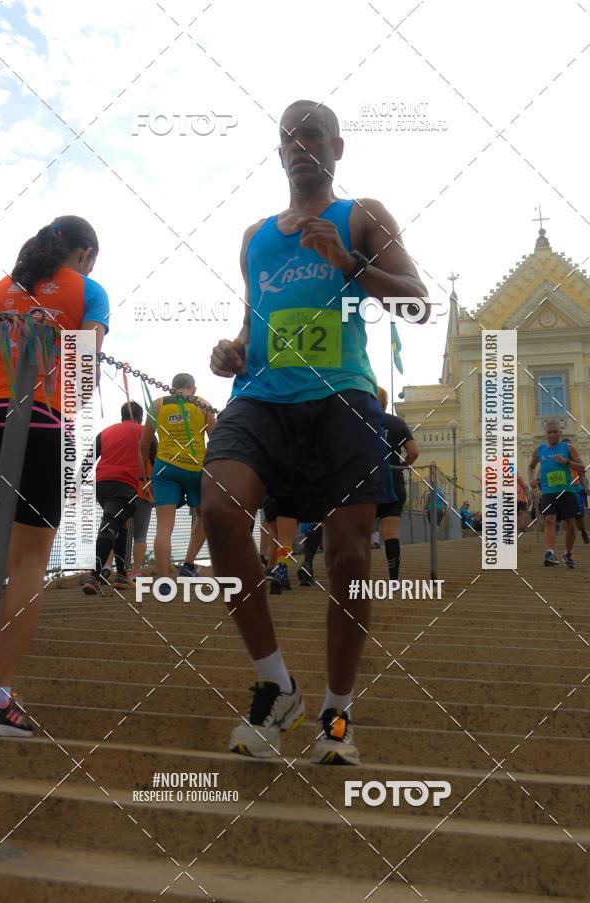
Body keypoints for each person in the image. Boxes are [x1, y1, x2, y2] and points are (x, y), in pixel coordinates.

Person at [201, 99, 428, 765]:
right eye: (289, 138)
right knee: (218, 507)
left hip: (342, 399)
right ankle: (277, 685)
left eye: (314, 136)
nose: (301, 146)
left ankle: (336, 711)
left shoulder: (361, 215)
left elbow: (416, 302)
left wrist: (351, 262)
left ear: (337, 149)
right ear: (278, 156)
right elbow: (255, 321)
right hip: (262, 398)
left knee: (350, 555)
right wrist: (232, 350)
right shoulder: (254, 237)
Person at [0, 216, 108, 736]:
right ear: (83, 255)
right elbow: (83, 380)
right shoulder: (88, 291)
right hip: (40, 424)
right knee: (30, 560)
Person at [139, 373, 215, 596]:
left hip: (164, 469)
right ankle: (188, 566)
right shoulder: (203, 404)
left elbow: (143, 445)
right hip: (195, 469)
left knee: (164, 526)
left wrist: (145, 478)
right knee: (203, 515)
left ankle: (163, 581)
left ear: (172, 388)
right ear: (193, 388)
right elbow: (217, 441)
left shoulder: (158, 404)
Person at [82, 401, 155, 594]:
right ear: (140, 418)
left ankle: (122, 574)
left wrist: (75, 484)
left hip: (101, 485)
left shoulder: (106, 432)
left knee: (121, 524)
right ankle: (94, 576)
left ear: (122, 415)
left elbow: (88, 460)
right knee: (109, 527)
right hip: (124, 487)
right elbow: (157, 462)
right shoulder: (145, 433)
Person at [528, 420, 585, 568]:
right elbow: (531, 466)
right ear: (545, 434)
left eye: (555, 432)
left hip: (567, 490)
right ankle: (550, 552)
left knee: (571, 525)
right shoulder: (539, 450)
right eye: (549, 432)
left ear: (560, 433)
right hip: (548, 492)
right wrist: (531, 480)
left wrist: (566, 462)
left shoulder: (568, 448)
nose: (552, 434)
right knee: (549, 520)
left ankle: (568, 553)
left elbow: (582, 468)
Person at [375, 386, 418, 580]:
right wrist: (402, 465)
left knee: (360, 533)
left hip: (366, 483)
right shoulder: (397, 423)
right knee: (390, 532)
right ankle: (393, 580)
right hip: (393, 480)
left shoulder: (358, 422)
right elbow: (414, 452)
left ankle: (354, 578)